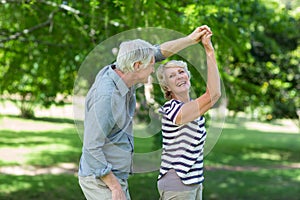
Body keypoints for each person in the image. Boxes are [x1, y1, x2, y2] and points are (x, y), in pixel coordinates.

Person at [78, 26, 210, 200]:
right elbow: (91, 148)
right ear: (137, 66)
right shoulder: (107, 97)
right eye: (151, 65)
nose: (153, 69)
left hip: (114, 175)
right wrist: (115, 187)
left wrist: (190, 39)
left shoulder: (124, 70)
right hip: (100, 178)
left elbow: (158, 52)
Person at [156, 26, 221, 200]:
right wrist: (209, 50)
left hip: (194, 181)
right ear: (166, 87)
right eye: (172, 76)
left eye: (181, 72)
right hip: (177, 184)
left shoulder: (194, 108)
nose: (179, 76)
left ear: (188, 77)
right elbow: (214, 94)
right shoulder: (171, 109)